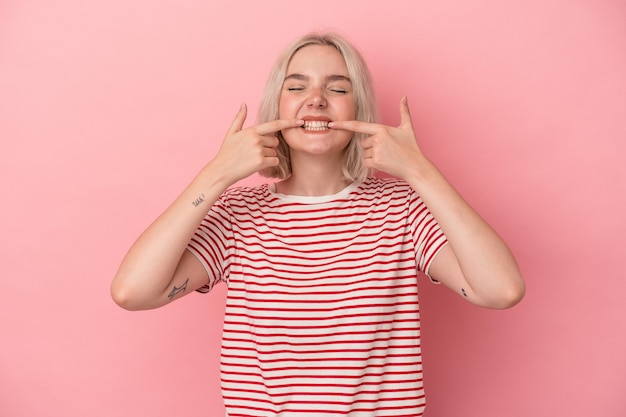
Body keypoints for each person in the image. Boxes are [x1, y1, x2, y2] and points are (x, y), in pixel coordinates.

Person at [111, 32, 525, 416]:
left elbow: (501, 290)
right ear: (275, 106)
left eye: (338, 88)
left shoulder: (403, 210)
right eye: (296, 87)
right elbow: (133, 292)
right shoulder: (237, 217)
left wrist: (420, 171)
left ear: (359, 107)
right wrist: (216, 175)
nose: (316, 100)